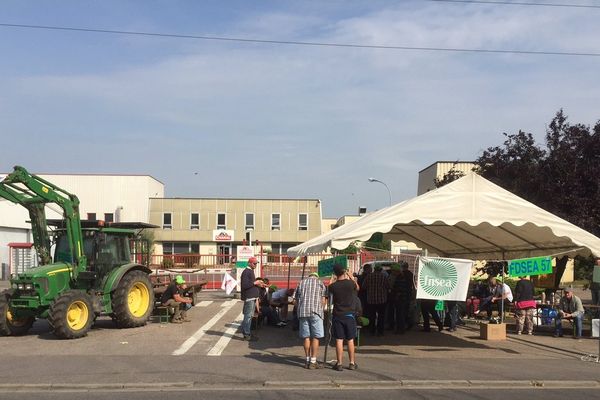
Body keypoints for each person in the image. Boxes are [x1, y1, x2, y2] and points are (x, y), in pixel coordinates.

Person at [327, 264, 360, 371]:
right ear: (344, 272)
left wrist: (332, 279)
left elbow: (329, 288)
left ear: (335, 274)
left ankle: (339, 363)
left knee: (339, 340)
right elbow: (358, 287)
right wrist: (351, 276)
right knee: (350, 340)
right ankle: (351, 362)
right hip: (350, 315)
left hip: (338, 315)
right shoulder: (350, 284)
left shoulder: (333, 286)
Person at [294, 272, 327, 369]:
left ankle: (307, 359)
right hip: (316, 312)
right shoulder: (321, 283)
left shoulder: (301, 283)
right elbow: (323, 300)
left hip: (303, 312)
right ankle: (313, 361)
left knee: (306, 337)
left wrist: (299, 309)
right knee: (316, 337)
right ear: (316, 276)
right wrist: (321, 309)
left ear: (309, 277)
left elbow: (295, 299)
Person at [240, 256, 266, 341]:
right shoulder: (247, 272)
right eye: (254, 263)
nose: (255, 265)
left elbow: (250, 284)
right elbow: (245, 285)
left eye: (256, 263)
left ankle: (247, 333)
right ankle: (247, 334)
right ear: (249, 263)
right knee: (248, 316)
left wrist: (259, 284)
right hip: (249, 297)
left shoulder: (250, 271)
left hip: (252, 297)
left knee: (249, 316)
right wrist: (255, 282)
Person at [363, 264, 389, 336]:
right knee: (381, 317)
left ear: (374, 269)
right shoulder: (384, 277)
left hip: (371, 300)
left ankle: (372, 331)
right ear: (380, 270)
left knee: (372, 316)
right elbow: (388, 286)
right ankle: (380, 332)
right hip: (382, 300)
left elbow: (364, 286)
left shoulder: (369, 276)